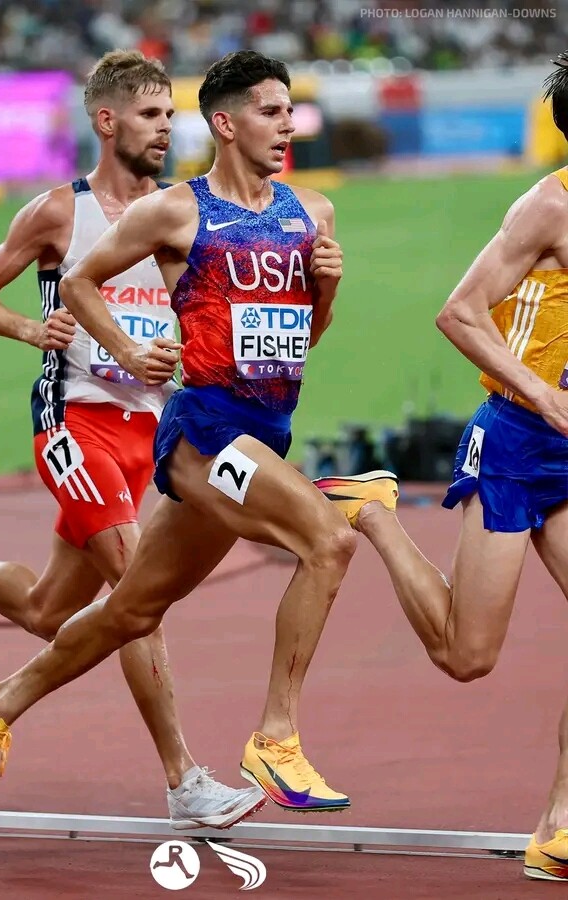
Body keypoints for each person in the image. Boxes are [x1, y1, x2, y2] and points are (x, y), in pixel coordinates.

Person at [0, 49, 399, 818]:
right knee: (329, 541)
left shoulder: (312, 214)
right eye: (270, 110)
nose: (287, 124)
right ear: (225, 123)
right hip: (204, 434)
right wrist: (127, 353)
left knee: (131, 610)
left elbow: (303, 342)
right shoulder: (174, 212)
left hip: (266, 430)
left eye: (290, 110)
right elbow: (80, 281)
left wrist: (326, 288)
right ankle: (276, 736)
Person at [0, 50, 263, 830]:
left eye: (170, 115)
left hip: (150, 433)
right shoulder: (59, 212)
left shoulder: (179, 211)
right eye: (150, 115)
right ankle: (184, 780)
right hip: (73, 423)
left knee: (52, 610)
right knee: (138, 594)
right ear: (106, 121)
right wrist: (31, 328)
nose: (166, 128)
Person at [316, 52, 568, 884]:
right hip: (517, 442)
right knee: (468, 655)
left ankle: (559, 826)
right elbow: (459, 313)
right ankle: (374, 512)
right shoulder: (549, 206)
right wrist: (546, 395)